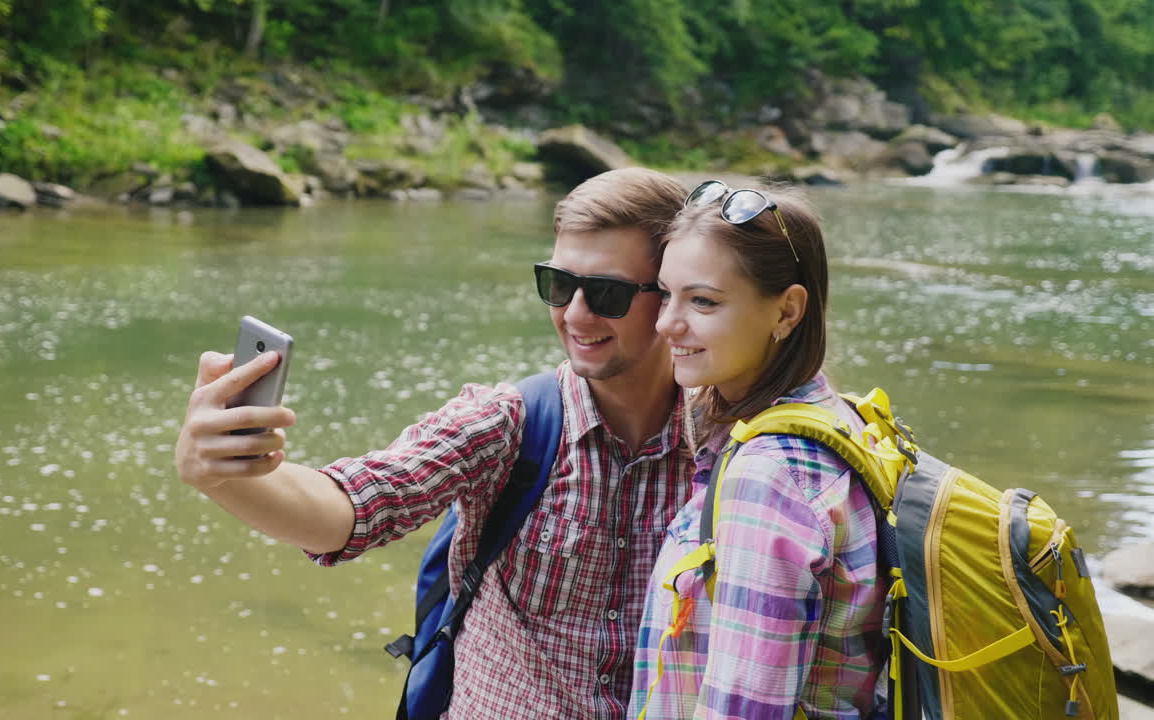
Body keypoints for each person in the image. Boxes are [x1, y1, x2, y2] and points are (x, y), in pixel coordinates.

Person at [174, 167, 698, 720]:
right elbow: (354, 507)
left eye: (607, 293)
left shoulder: (735, 438)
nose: (573, 314)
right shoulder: (509, 424)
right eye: (559, 285)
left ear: (673, 296)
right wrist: (226, 473)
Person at [628, 182, 887, 720]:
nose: (665, 323)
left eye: (702, 301)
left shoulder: (769, 479)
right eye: (665, 293)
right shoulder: (844, 420)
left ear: (787, 312)